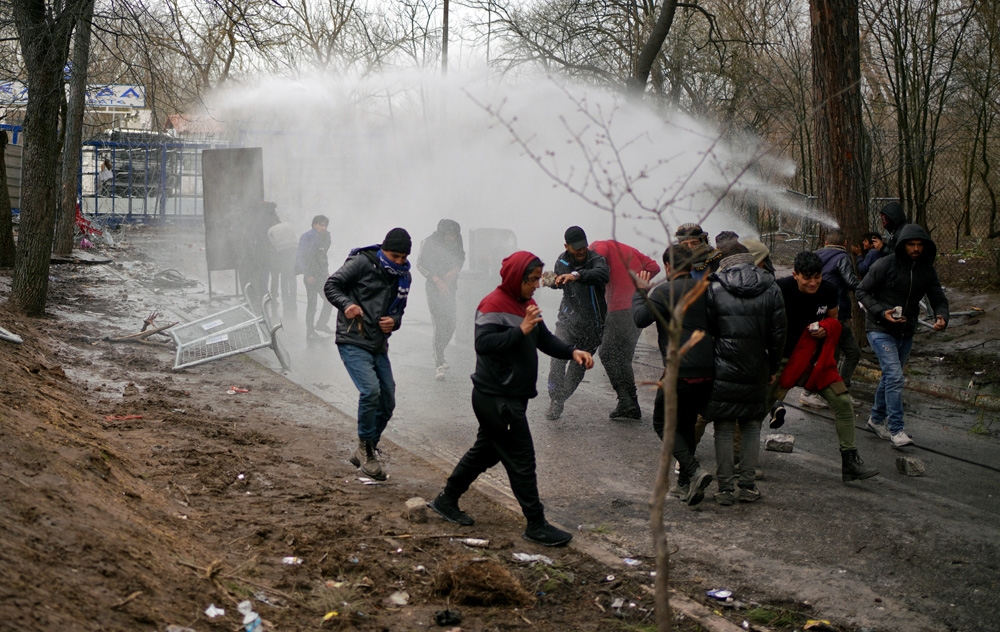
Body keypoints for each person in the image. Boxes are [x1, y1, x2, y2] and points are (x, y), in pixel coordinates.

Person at [427, 251, 594, 546]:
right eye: (531, 279)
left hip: (510, 396)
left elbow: (543, 338)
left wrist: (571, 351)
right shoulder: (493, 304)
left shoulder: (526, 303)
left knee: (486, 452)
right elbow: (485, 344)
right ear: (517, 277)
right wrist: (520, 331)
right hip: (495, 398)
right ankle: (536, 524)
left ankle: (446, 500)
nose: (536, 285)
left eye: (537, 279)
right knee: (522, 460)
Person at [765, 252, 878, 483]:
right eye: (807, 278)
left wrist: (826, 328)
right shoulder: (780, 289)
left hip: (815, 362)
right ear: (795, 275)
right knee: (755, 410)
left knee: (843, 403)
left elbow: (834, 320)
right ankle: (739, 461)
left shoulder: (828, 290)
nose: (813, 283)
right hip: (782, 361)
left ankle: (850, 463)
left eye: (816, 277)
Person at [324, 228, 413, 481]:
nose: (398, 262)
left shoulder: (404, 275)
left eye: (403, 258)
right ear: (384, 249)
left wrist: (393, 322)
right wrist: (347, 304)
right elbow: (332, 285)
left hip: (378, 343)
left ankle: (365, 448)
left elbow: (400, 310)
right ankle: (366, 449)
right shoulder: (362, 262)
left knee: (388, 400)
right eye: (394, 256)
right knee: (370, 391)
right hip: (353, 338)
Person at [701, 243, 785, 505]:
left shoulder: (714, 287)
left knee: (724, 428)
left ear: (724, 261)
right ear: (749, 259)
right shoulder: (771, 286)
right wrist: (772, 368)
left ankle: (725, 489)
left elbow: (707, 331)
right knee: (751, 426)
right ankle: (748, 486)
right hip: (757, 365)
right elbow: (779, 334)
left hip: (722, 366)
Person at [632, 243, 714, 506]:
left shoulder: (664, 291)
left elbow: (640, 319)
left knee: (661, 423)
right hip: (706, 369)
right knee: (686, 422)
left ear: (667, 267)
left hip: (680, 370)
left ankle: (693, 470)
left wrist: (641, 292)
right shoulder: (705, 289)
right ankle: (686, 485)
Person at [856, 224, 948, 447]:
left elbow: (937, 297)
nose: (915, 249)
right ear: (902, 246)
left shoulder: (926, 269)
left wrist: (942, 316)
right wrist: (881, 312)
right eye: (911, 245)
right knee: (895, 377)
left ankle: (876, 420)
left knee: (890, 377)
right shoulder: (884, 265)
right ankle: (897, 430)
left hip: (906, 331)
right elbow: (861, 291)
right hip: (879, 329)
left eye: (919, 245)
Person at [590, 239, 661, 419]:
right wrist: (637, 283)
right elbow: (654, 267)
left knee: (606, 352)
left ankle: (626, 400)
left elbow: (599, 254)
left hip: (619, 309)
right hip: (637, 308)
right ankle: (631, 404)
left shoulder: (598, 246)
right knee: (623, 358)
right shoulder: (630, 250)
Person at [545, 226, 609, 420]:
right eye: (576, 248)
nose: (581, 251)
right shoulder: (561, 261)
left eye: (583, 246)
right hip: (567, 321)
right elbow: (560, 283)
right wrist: (551, 281)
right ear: (567, 246)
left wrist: (577, 275)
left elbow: (602, 275)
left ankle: (561, 399)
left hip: (593, 325)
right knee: (557, 358)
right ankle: (555, 399)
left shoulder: (596, 260)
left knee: (577, 368)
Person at [813, 229, 862, 399]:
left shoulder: (815, 255)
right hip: (836, 313)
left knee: (849, 352)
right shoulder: (843, 257)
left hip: (820, 312)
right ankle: (818, 393)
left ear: (826, 243)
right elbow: (850, 280)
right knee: (838, 355)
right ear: (845, 244)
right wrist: (866, 293)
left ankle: (839, 389)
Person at [416, 219, 466, 381]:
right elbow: (419, 264)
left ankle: (439, 350)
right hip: (434, 288)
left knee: (451, 324)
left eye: (454, 234)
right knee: (439, 323)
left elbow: (461, 256)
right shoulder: (429, 242)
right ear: (442, 233)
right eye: (449, 234)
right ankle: (439, 364)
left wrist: (456, 269)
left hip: (451, 288)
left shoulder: (458, 240)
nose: (451, 237)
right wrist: (436, 280)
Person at [296, 215, 333, 343]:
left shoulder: (325, 237)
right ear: (314, 225)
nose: (324, 228)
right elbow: (301, 256)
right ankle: (310, 332)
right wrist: (307, 274)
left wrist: (326, 270)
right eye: (321, 225)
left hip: (321, 275)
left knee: (329, 300)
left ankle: (321, 324)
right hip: (310, 275)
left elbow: (323, 256)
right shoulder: (307, 237)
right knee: (312, 303)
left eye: (325, 225)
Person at [267, 215, 299, 318]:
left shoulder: (270, 230)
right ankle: (293, 301)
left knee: (284, 276)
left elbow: (272, 244)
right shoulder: (288, 225)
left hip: (282, 250)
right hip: (294, 248)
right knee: (292, 275)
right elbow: (296, 234)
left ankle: (285, 301)